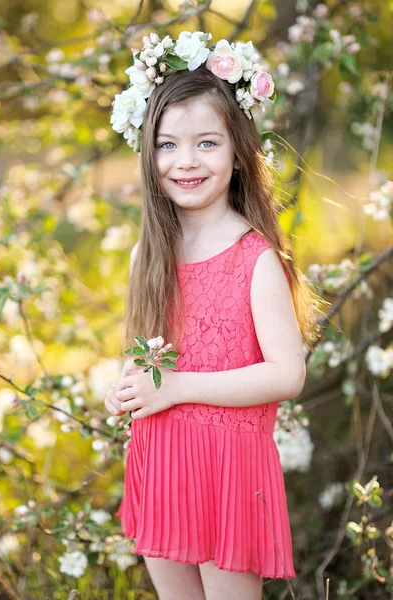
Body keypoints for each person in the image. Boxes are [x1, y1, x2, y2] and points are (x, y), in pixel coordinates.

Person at [105, 31, 322, 600]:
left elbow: (286, 374)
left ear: (237, 150)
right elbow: (145, 355)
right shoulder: (147, 255)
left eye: (206, 143)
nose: (186, 162)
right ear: (149, 153)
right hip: (162, 458)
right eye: (168, 145)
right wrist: (128, 386)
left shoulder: (256, 258)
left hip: (228, 472)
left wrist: (177, 387)